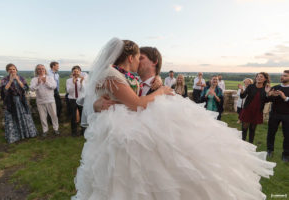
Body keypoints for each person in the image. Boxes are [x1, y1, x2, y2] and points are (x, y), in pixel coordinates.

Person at [72, 38, 275, 200]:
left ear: (154, 62)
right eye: (136, 57)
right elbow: (108, 96)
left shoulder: (162, 88)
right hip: (126, 145)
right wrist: (96, 105)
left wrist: (158, 91)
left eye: (141, 57)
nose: (136, 61)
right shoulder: (122, 78)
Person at [0, 63, 37, 143]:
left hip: (21, 101)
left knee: (24, 116)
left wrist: (18, 80)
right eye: (10, 69)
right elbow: (4, 90)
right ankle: (14, 137)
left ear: (16, 70)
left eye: (14, 69)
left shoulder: (21, 78)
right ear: (7, 71)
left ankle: (26, 134)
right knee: (12, 118)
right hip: (10, 102)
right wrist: (10, 81)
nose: (12, 71)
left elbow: (25, 88)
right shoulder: (4, 79)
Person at [239, 72, 271, 144]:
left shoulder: (266, 88)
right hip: (247, 110)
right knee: (244, 128)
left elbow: (266, 101)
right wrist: (241, 90)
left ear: (265, 79)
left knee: (252, 129)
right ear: (256, 78)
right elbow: (242, 96)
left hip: (257, 111)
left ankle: (250, 146)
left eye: (261, 77)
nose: (259, 78)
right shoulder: (250, 86)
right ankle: (242, 144)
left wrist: (267, 93)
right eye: (258, 76)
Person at [30, 64, 59, 137]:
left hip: (50, 100)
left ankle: (56, 129)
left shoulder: (50, 78)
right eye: (39, 69)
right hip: (40, 101)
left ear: (45, 70)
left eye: (42, 68)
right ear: (37, 70)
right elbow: (32, 89)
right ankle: (45, 130)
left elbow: (54, 86)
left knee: (54, 115)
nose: (41, 70)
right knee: (42, 116)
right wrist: (38, 83)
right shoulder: (34, 79)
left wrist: (46, 81)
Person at [266, 70, 289, 162]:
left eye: (285, 76)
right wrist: (269, 94)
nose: (282, 77)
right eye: (282, 75)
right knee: (271, 133)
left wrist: (285, 97)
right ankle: (270, 150)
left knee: (287, 135)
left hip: (287, 116)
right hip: (274, 114)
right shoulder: (275, 87)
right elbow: (268, 100)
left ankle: (286, 154)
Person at [66, 65, 86, 136]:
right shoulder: (68, 80)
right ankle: (74, 132)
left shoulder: (83, 79)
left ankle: (83, 131)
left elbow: (83, 90)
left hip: (81, 99)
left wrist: (81, 83)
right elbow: (69, 91)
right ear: (72, 72)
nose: (76, 73)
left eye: (77, 71)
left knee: (82, 115)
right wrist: (73, 83)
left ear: (80, 72)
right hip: (72, 99)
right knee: (73, 116)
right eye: (74, 71)